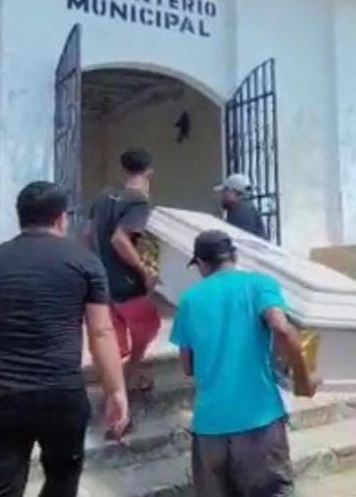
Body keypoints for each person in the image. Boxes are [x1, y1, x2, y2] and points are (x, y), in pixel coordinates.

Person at [0, 181, 128, 497]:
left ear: (20, 217)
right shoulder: (84, 263)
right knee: (62, 481)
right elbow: (101, 332)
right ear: (61, 218)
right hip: (60, 394)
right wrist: (115, 390)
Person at [170, 230, 318, 497]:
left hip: (210, 428)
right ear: (234, 256)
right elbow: (283, 330)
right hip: (260, 423)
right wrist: (303, 380)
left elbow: (187, 366)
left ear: (201, 264)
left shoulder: (189, 300)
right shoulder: (260, 284)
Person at [86, 148, 161, 393]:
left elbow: (87, 234)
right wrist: (143, 270)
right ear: (149, 171)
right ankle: (127, 379)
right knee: (148, 325)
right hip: (127, 283)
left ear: (124, 168)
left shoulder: (104, 197)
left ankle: (118, 384)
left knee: (115, 341)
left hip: (102, 281)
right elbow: (120, 239)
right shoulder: (138, 201)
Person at [215, 173, 267, 240]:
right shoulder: (243, 208)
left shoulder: (242, 212)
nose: (222, 196)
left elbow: (239, 241)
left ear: (233, 192)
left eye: (224, 191)